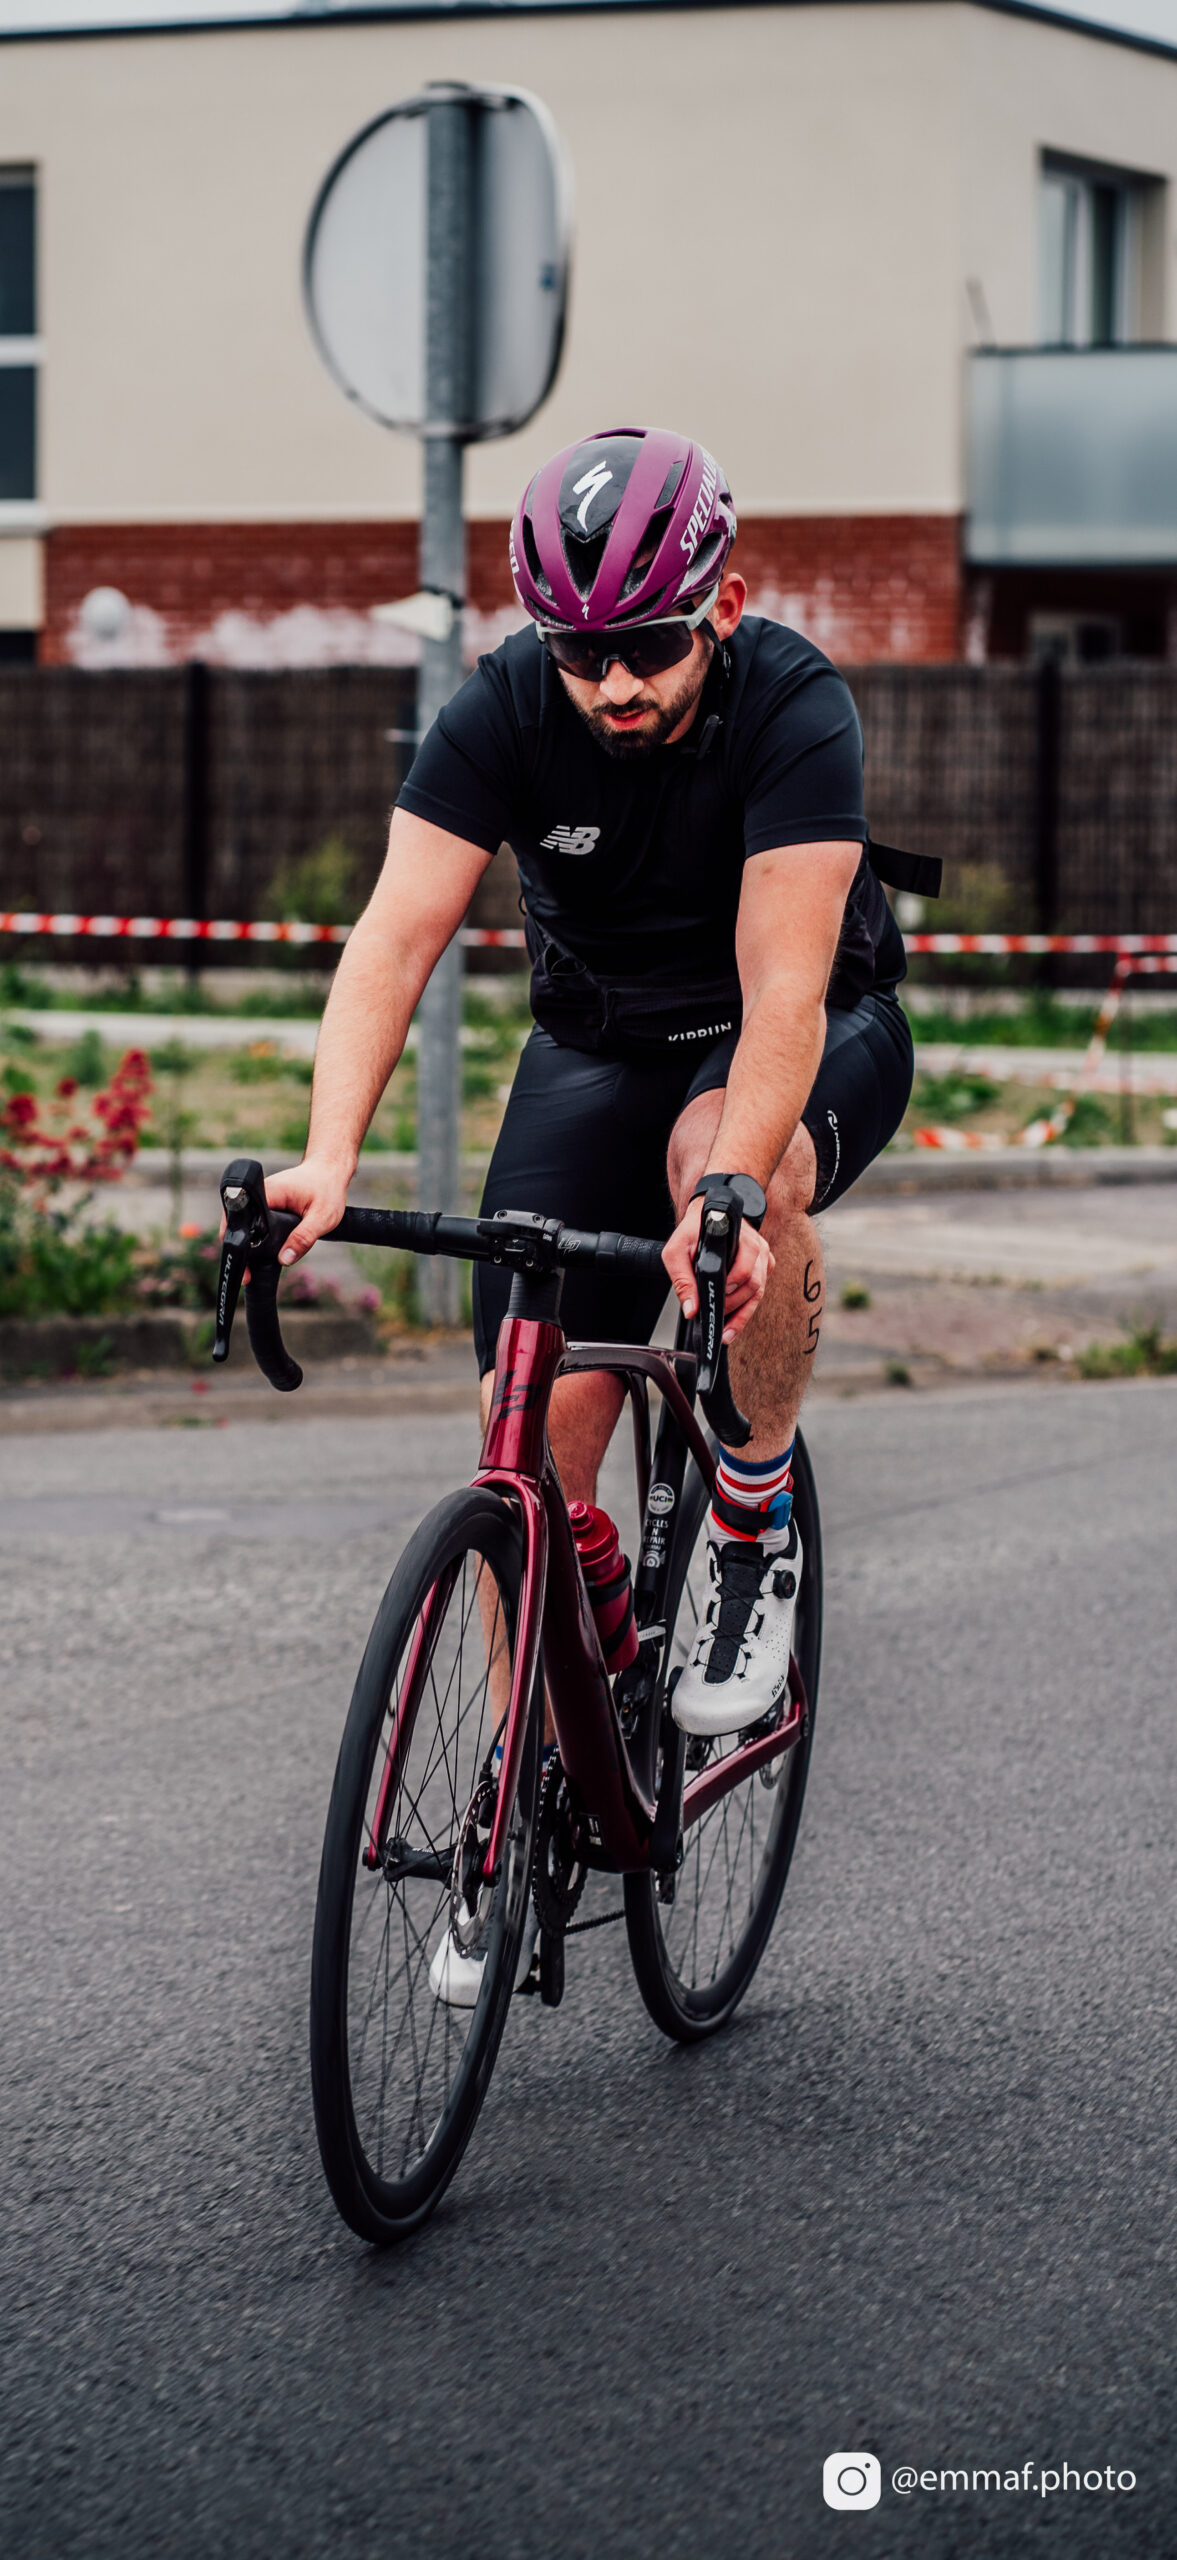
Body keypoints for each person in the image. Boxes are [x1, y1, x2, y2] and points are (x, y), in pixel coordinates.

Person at [270, 420, 913, 1782]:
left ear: (722, 607)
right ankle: (535, 1787)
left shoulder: (794, 706)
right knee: (530, 1452)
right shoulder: (503, 708)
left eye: (647, 644)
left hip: (793, 1028)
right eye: (578, 650)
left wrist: (732, 1190)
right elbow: (394, 937)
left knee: (719, 1163)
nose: (612, 682)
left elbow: (784, 988)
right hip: (596, 1047)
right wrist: (329, 1157)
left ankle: (749, 1526)